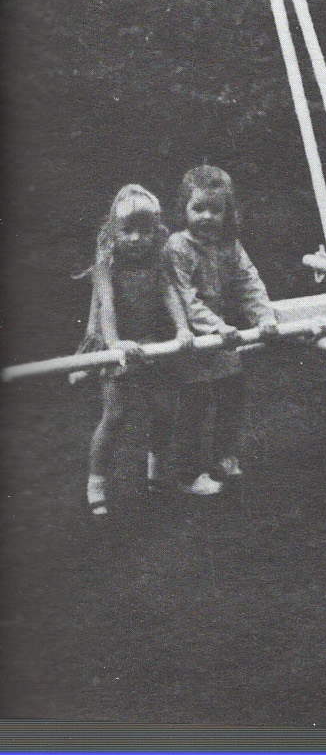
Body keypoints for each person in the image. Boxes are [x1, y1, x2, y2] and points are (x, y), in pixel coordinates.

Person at [79, 184, 194, 517]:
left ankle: (156, 475)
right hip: (117, 344)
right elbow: (107, 306)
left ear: (155, 232)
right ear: (112, 231)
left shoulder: (158, 260)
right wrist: (115, 343)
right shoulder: (107, 264)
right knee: (115, 416)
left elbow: (170, 294)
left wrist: (182, 328)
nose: (135, 238)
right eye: (127, 230)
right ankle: (96, 483)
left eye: (144, 231)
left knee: (164, 411)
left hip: (151, 343)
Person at [166, 165, 278, 496]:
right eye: (198, 208)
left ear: (227, 211)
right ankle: (187, 474)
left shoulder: (230, 244)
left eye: (215, 209)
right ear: (184, 208)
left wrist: (264, 318)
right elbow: (185, 299)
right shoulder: (177, 246)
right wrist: (217, 327)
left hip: (221, 335)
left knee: (232, 395)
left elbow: (248, 282)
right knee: (194, 405)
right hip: (189, 336)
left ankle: (224, 457)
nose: (207, 216)